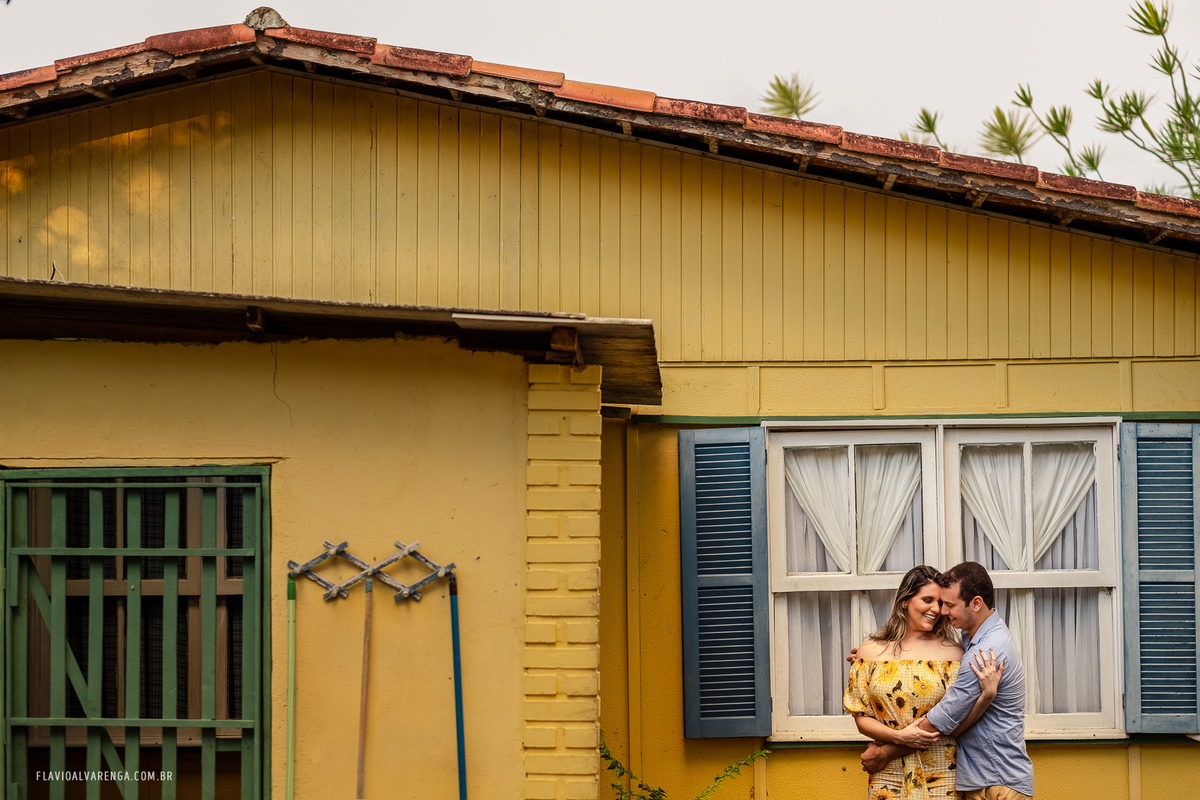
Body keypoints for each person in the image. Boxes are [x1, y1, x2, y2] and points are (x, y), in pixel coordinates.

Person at [862, 562, 1034, 800]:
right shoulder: (973, 638)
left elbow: (945, 721)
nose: (942, 611)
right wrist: (872, 657)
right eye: (934, 601)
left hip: (996, 782)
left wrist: (885, 752)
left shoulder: (983, 653)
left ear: (976, 603)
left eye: (949, 604)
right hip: (984, 779)